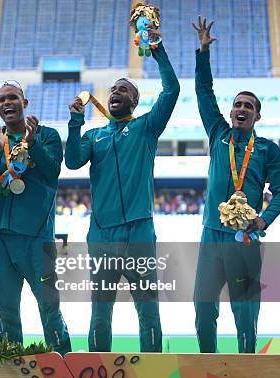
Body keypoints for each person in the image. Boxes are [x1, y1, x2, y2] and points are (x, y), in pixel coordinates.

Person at [66, 37, 179, 352]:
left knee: (148, 310)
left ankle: (153, 375)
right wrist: (75, 123)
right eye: (113, 89)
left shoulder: (146, 128)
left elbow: (172, 91)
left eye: (124, 89)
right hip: (101, 233)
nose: (116, 92)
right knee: (100, 313)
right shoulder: (94, 135)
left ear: (135, 100)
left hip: (139, 232)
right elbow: (73, 161)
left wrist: (157, 49)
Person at [192, 17, 280, 353]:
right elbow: (204, 92)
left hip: (246, 239)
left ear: (257, 117)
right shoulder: (218, 133)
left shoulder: (266, 149)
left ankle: (248, 371)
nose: (241, 109)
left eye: (248, 106)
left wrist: (263, 220)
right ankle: (207, 367)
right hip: (210, 236)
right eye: (237, 104)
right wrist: (203, 54)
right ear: (231, 113)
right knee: (203, 309)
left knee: (245, 313)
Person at [0, 80, 71, 354]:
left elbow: (53, 171)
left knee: (49, 306)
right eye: (2, 100)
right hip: (0, 238)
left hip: (37, 237)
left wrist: (33, 144)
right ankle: (11, 374)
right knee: (6, 309)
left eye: (13, 98)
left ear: (25, 103)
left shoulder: (48, 135)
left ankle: (64, 363)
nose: (7, 103)